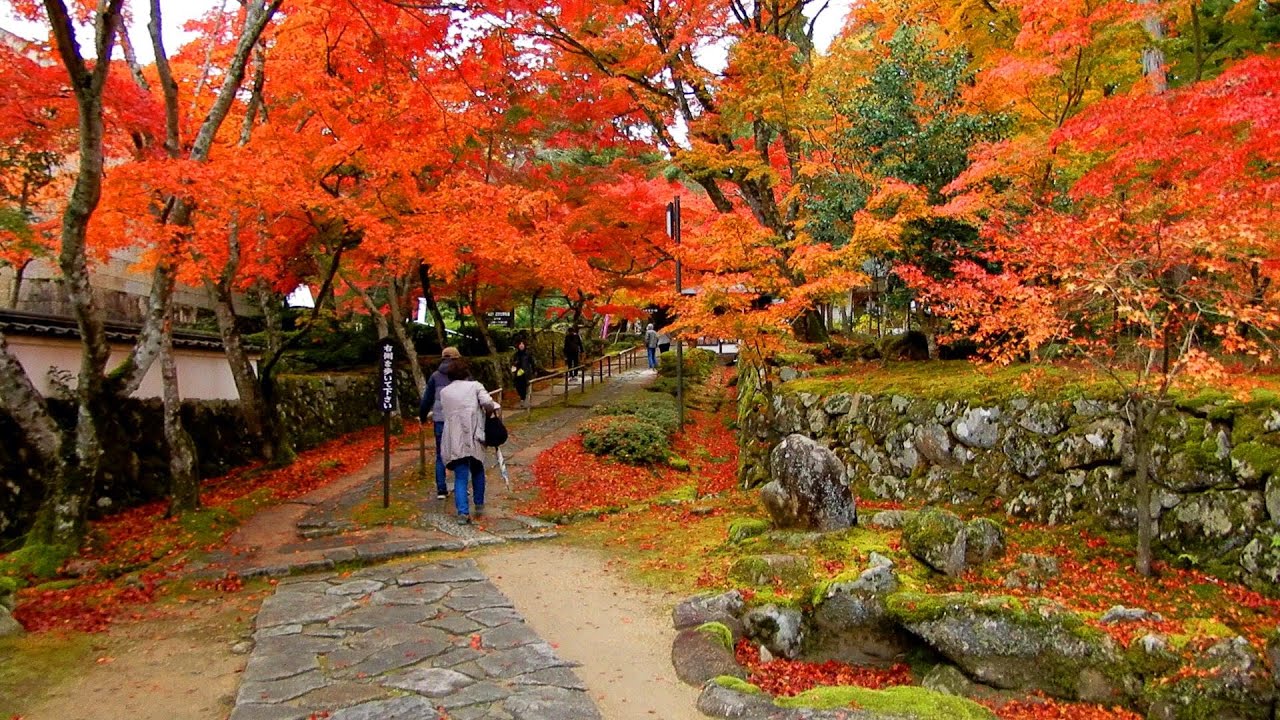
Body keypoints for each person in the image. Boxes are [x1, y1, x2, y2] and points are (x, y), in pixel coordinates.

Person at [438, 359, 499, 524]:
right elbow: (488, 402)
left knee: (460, 475)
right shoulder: (475, 386)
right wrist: (487, 413)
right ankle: (479, 505)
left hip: (454, 436)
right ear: (466, 373)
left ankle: (462, 513)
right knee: (478, 468)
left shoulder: (445, 392)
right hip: (474, 433)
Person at [419, 346, 461, 500]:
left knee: (440, 455)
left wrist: (422, 416)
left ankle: (441, 489)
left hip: (439, 420)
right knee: (460, 452)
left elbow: (427, 400)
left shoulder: (435, 376)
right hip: (458, 419)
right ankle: (460, 485)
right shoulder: (462, 375)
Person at [511, 340, 536, 408]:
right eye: (520, 344)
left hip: (525, 373)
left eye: (522, 344)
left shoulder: (528, 354)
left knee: (525, 386)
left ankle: (523, 399)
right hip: (517, 373)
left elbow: (532, 363)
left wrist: (534, 371)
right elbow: (513, 363)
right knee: (518, 386)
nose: (521, 345)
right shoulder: (516, 355)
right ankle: (522, 397)